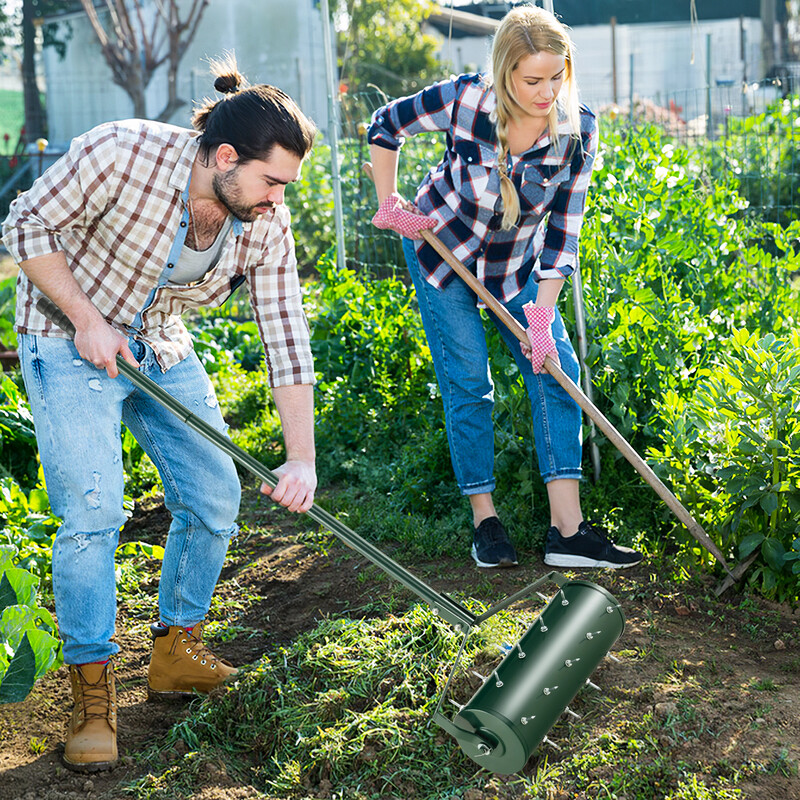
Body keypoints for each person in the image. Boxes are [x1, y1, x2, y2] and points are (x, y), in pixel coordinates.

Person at [1, 56, 317, 772]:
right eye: (272, 182)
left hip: (157, 343)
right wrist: (86, 319)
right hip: (64, 335)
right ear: (225, 157)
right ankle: (91, 692)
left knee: (215, 496)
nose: (277, 200)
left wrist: (301, 457)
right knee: (93, 512)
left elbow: (287, 337)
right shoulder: (123, 152)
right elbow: (26, 226)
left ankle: (175, 651)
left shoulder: (264, 224)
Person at [367, 5, 642, 572]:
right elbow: (385, 124)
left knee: (556, 372)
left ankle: (567, 532)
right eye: (532, 80)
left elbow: (563, 232)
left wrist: (541, 316)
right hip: (440, 253)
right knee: (470, 382)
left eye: (557, 77)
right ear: (504, 73)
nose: (547, 93)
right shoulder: (465, 100)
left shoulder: (576, 131)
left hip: (515, 270)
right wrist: (389, 202)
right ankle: (485, 522)